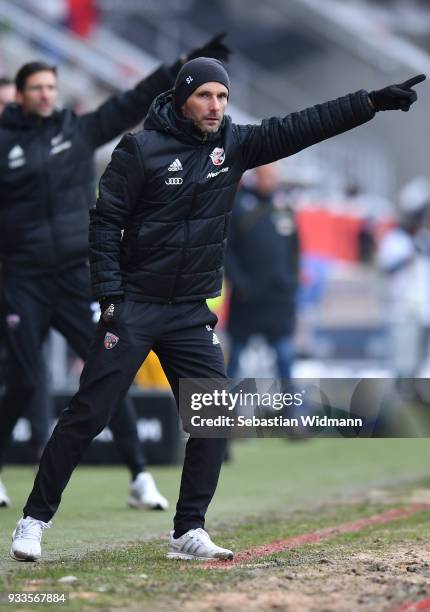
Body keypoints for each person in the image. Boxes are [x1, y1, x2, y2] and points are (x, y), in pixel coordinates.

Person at [9, 60, 425, 562]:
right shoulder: (139, 149)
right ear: (184, 98)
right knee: (87, 414)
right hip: (136, 305)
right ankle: (33, 521)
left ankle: (188, 530)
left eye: (223, 97)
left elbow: (302, 125)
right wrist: (112, 298)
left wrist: (370, 103)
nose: (216, 107)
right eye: (205, 96)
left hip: (188, 311)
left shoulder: (236, 145)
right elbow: (104, 224)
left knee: (214, 415)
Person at [0, 35, 230, 512]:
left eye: (51, 87)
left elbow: (131, 101)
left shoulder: (78, 132)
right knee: (24, 379)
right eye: (36, 88)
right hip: (21, 281)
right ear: (19, 95)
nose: (46, 94)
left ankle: (140, 475)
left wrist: (181, 66)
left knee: (111, 377)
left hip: (73, 279)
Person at [225, 162, 300, 380]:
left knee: (285, 356)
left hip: (278, 299)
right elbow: (227, 250)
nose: (269, 181)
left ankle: (288, 410)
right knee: (236, 358)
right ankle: (225, 410)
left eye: (273, 176)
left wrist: (291, 280)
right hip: (247, 299)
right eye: (265, 176)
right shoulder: (239, 205)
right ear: (256, 176)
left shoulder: (284, 206)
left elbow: (295, 249)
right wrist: (240, 285)